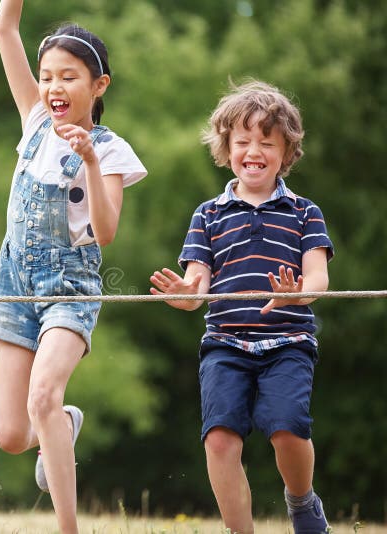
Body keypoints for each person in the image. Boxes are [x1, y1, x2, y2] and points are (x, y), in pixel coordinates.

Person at [0, 2, 147, 532]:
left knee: (42, 395)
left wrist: (94, 165)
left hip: (69, 286)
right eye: (47, 75)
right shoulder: (33, 119)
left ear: (98, 86)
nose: (53, 86)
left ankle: (68, 528)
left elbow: (105, 232)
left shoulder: (111, 149)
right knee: (11, 434)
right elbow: (4, 28)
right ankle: (62, 423)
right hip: (14, 284)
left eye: (68, 77)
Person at [149, 80, 332, 534]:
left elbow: (319, 279)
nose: (254, 151)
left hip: (288, 341)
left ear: (286, 151)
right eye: (243, 141)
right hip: (225, 345)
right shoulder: (208, 215)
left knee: (288, 430)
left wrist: (298, 293)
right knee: (219, 441)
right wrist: (186, 297)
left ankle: (301, 501)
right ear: (226, 147)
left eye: (267, 142)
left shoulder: (305, 212)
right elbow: (198, 288)